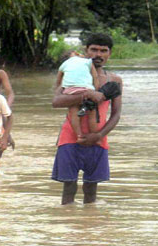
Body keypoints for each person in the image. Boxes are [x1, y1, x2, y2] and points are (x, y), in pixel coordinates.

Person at [51, 33, 123, 205]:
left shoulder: (114, 80)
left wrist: (99, 135)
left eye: (103, 51)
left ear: (109, 54)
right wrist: (87, 95)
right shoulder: (73, 74)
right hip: (70, 137)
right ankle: (68, 226)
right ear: (86, 51)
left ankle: (89, 226)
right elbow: (56, 101)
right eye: (94, 50)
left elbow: (116, 114)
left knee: (91, 189)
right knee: (68, 188)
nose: (98, 55)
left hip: (97, 138)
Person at [55, 50, 100, 138]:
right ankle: (94, 136)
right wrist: (95, 91)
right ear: (76, 54)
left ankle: (79, 135)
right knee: (92, 114)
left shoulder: (63, 65)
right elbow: (95, 77)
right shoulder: (87, 61)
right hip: (86, 90)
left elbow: (58, 81)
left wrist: (59, 90)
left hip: (70, 92)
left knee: (74, 114)